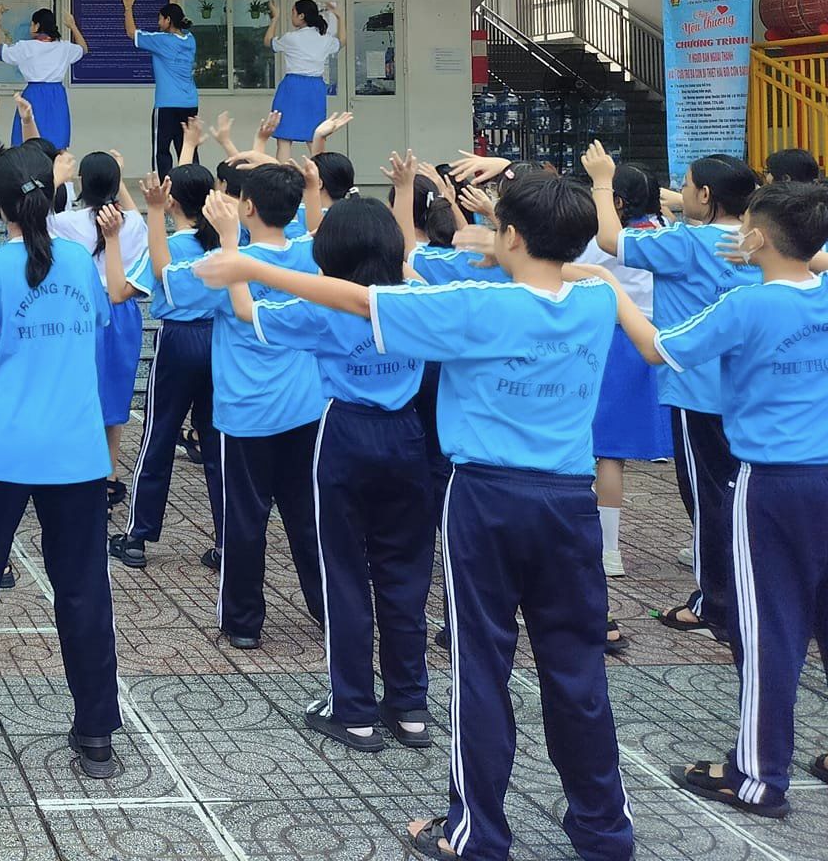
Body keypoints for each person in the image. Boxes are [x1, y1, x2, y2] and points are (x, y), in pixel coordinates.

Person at [204, 170, 635, 861]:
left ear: (512, 236)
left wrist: (243, 257)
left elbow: (339, 302)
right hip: (554, 494)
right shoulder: (594, 297)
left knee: (452, 644)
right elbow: (582, 275)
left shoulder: (465, 304)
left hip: (466, 487)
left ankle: (451, 805)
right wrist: (481, 234)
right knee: (568, 662)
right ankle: (599, 824)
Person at [600, 179, 828, 819]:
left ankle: (756, 775)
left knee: (768, 628)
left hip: (774, 483)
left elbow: (658, 348)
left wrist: (612, 291)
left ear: (756, 237)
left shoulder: (746, 304)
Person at [0, 142, 121, 777]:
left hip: (3, 452)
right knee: (84, 591)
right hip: (78, 454)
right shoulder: (79, 261)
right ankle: (96, 732)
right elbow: (94, 317)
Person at [249, 194, 431, 752]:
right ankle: (410, 706)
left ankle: (353, 710)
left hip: (346, 433)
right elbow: (411, 271)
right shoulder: (416, 300)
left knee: (345, 574)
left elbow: (252, 315)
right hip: (408, 435)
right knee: (405, 575)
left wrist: (234, 249)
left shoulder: (322, 309)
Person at [586, 143, 757, 645]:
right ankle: (751, 594)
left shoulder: (687, 243)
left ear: (705, 195)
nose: (678, 195)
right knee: (743, 494)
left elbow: (610, 239)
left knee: (707, 500)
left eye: (685, 187)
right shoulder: (760, 240)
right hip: (751, 390)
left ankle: (715, 604)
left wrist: (602, 180)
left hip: (696, 386)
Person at [159, 161, 326, 649]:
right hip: (304, 409)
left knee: (244, 520)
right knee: (309, 517)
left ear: (246, 206)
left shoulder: (224, 263)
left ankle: (243, 623)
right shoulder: (311, 253)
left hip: (246, 414)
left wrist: (213, 233)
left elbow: (166, 280)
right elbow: (319, 231)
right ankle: (329, 609)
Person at [106, 158, 225, 570]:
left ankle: (137, 537)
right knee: (217, 443)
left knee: (158, 436)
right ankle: (227, 540)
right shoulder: (226, 242)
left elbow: (118, 292)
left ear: (171, 201)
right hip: (220, 339)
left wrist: (112, 239)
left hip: (178, 341)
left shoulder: (167, 247)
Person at [578, 160, 669, 578]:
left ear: (616, 201)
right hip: (653, 341)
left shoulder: (605, 242)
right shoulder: (664, 231)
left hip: (614, 342)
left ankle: (608, 550)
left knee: (608, 454)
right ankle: (696, 542)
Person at [50, 151, 147, 502]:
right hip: (122, 311)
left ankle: (78, 471)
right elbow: (136, 216)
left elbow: (36, 217)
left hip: (81, 310)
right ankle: (109, 473)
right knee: (115, 393)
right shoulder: (132, 223)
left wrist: (57, 178)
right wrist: (118, 179)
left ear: (84, 183)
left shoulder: (67, 222)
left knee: (78, 390)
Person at [0, 3, 86, 150]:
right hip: (57, 96)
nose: (30, 28)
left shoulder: (25, 47)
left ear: (37, 26)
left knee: (27, 142)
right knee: (58, 144)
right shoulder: (64, 47)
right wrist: (72, 26)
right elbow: (83, 49)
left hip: (33, 95)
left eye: (32, 24)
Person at [124, 0, 198, 177]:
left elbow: (132, 33)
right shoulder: (190, 40)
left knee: (162, 151)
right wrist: (174, 4)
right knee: (188, 148)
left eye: (160, 19)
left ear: (168, 20)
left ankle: (164, 188)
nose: (158, 23)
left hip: (167, 105)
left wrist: (128, 7)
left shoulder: (162, 40)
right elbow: (179, 26)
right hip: (190, 103)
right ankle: (193, 184)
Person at [262, 0, 342, 158]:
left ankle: (282, 174)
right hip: (315, 88)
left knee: (284, 138)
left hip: (292, 86)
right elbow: (342, 42)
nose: (291, 16)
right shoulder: (324, 39)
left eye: (293, 12)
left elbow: (268, 42)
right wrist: (340, 17)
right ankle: (322, 173)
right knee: (315, 138)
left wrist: (275, 18)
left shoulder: (291, 38)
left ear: (301, 16)